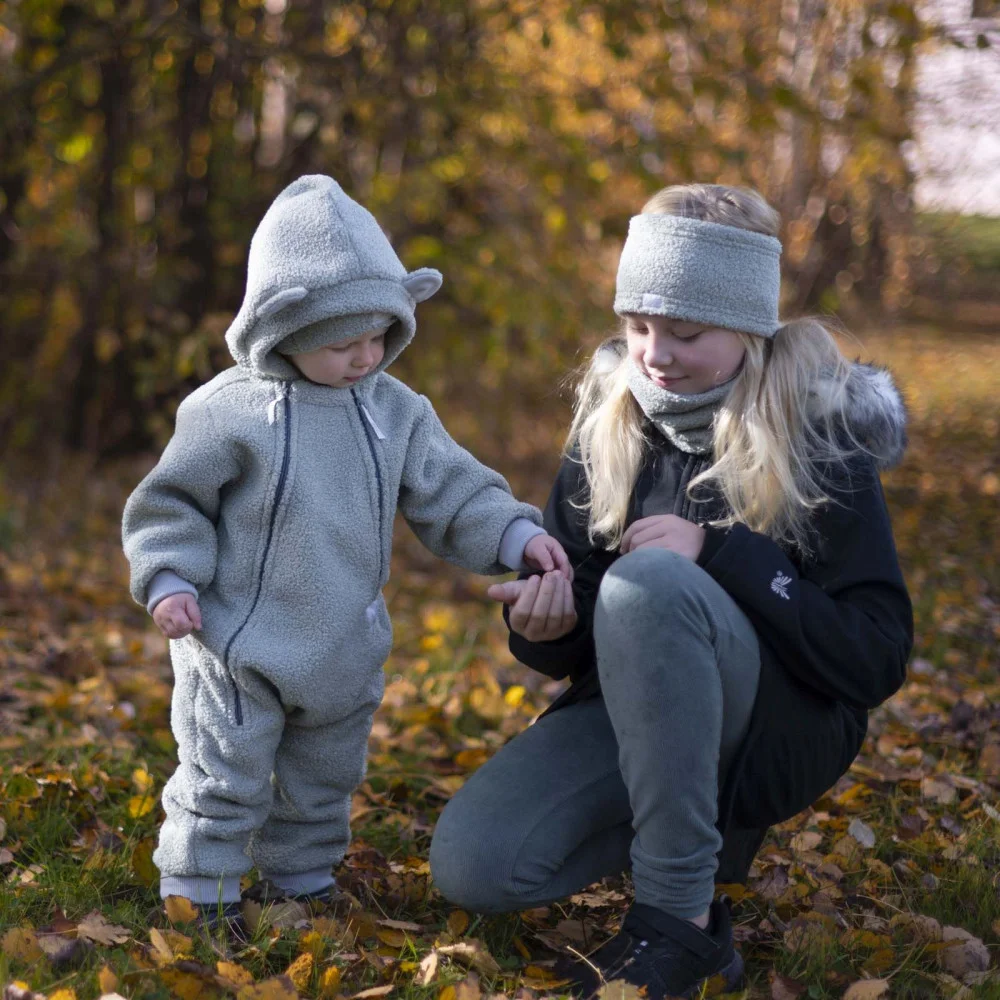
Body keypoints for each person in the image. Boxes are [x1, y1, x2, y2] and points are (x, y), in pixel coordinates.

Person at [428, 183, 913, 998]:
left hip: (777, 731)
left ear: (750, 327)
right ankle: (672, 829)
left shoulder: (819, 437)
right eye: (638, 326)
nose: (655, 354)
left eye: (685, 331)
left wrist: (721, 556)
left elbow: (876, 656)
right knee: (476, 866)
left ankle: (679, 924)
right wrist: (545, 627)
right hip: (640, 720)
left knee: (651, 579)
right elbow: (583, 626)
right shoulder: (611, 423)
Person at [121, 175, 570, 932]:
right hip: (238, 642)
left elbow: (452, 489)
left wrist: (513, 535)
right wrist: (168, 575)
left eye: (379, 336)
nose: (366, 356)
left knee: (324, 773)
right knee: (224, 766)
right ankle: (199, 889)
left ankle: (300, 873)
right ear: (283, 328)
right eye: (343, 342)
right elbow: (174, 503)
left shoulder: (395, 410)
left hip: (343, 642)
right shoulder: (228, 412)